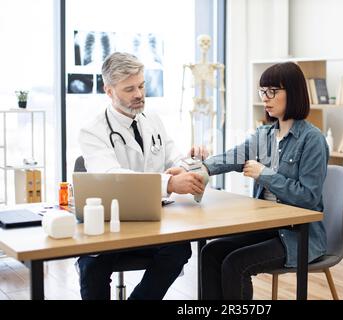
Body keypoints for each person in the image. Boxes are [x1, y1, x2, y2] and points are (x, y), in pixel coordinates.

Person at [78, 52, 206, 300]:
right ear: (109, 91)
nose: (138, 94)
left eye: (141, 86)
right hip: (109, 223)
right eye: (129, 89)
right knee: (93, 266)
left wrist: (189, 163)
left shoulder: (152, 119)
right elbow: (112, 177)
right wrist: (169, 182)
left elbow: (172, 157)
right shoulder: (92, 131)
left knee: (179, 249)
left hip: (150, 221)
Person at [199, 62, 329, 299]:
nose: (265, 98)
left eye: (272, 91)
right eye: (263, 91)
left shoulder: (313, 140)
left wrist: (264, 174)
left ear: (294, 92)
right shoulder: (264, 134)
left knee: (235, 264)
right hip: (267, 227)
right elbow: (234, 157)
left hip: (297, 235)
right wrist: (201, 168)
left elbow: (308, 198)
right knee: (210, 252)